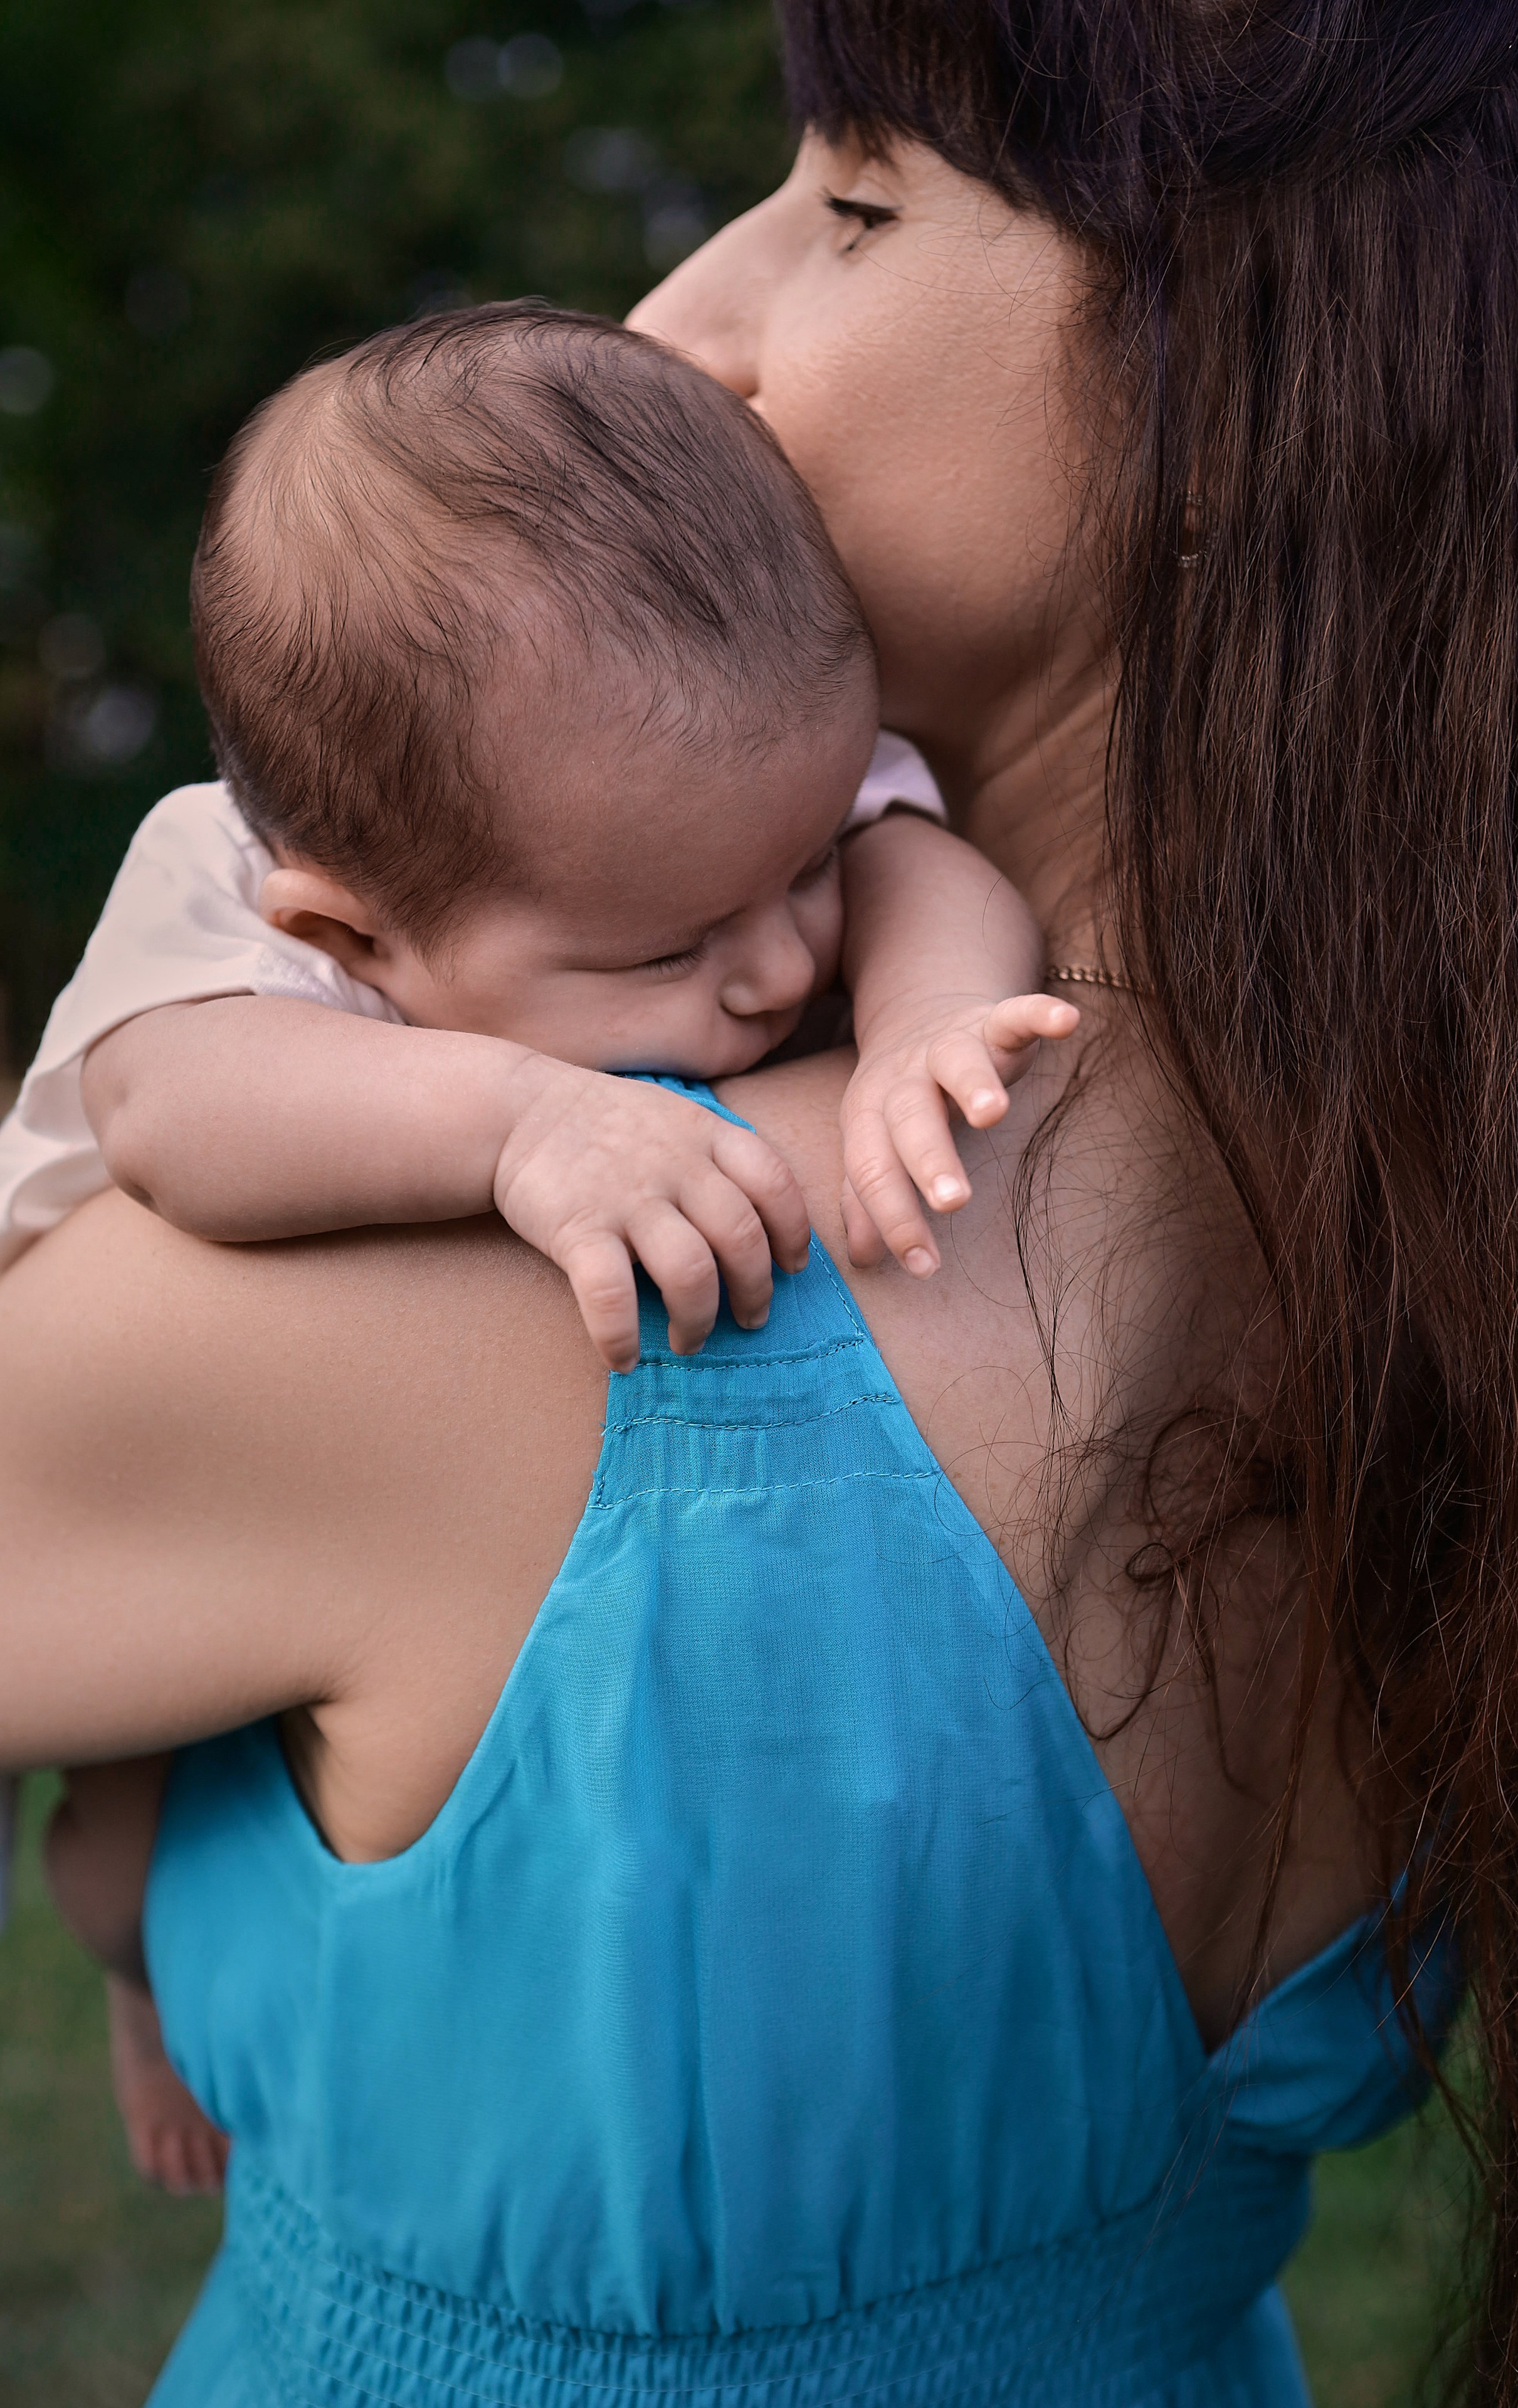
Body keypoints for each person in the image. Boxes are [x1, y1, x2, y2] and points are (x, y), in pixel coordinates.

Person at [1, 1, 1518, 2399]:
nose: (678, 318)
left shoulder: (569, 1297)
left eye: (853, 202)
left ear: (1257, 383)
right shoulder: (1481, 1221)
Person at [4, 298, 1066, 2187]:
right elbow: (184, 1119)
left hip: (426, 1560)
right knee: (117, 1860)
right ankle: (145, 1991)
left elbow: (921, 862)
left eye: (801, 865)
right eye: (668, 954)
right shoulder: (230, 910)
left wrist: (919, 1026)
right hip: (138, 1506)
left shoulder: (714, 798)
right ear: (355, 945)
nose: (779, 963)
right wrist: (526, 1118)